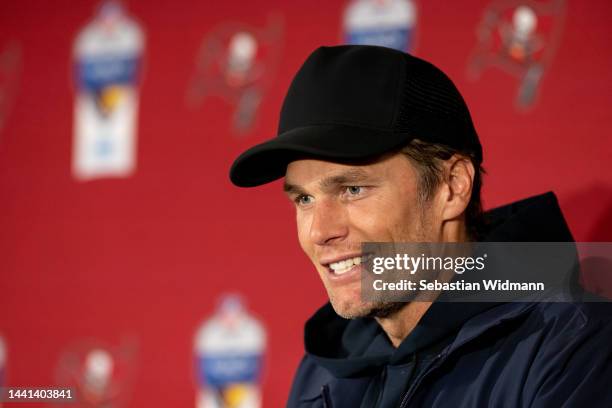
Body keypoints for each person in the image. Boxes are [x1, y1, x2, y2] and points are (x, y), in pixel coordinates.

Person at [229, 45, 612, 407]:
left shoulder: (573, 345)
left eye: (352, 189)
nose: (319, 231)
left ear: (452, 186)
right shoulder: (321, 373)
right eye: (304, 199)